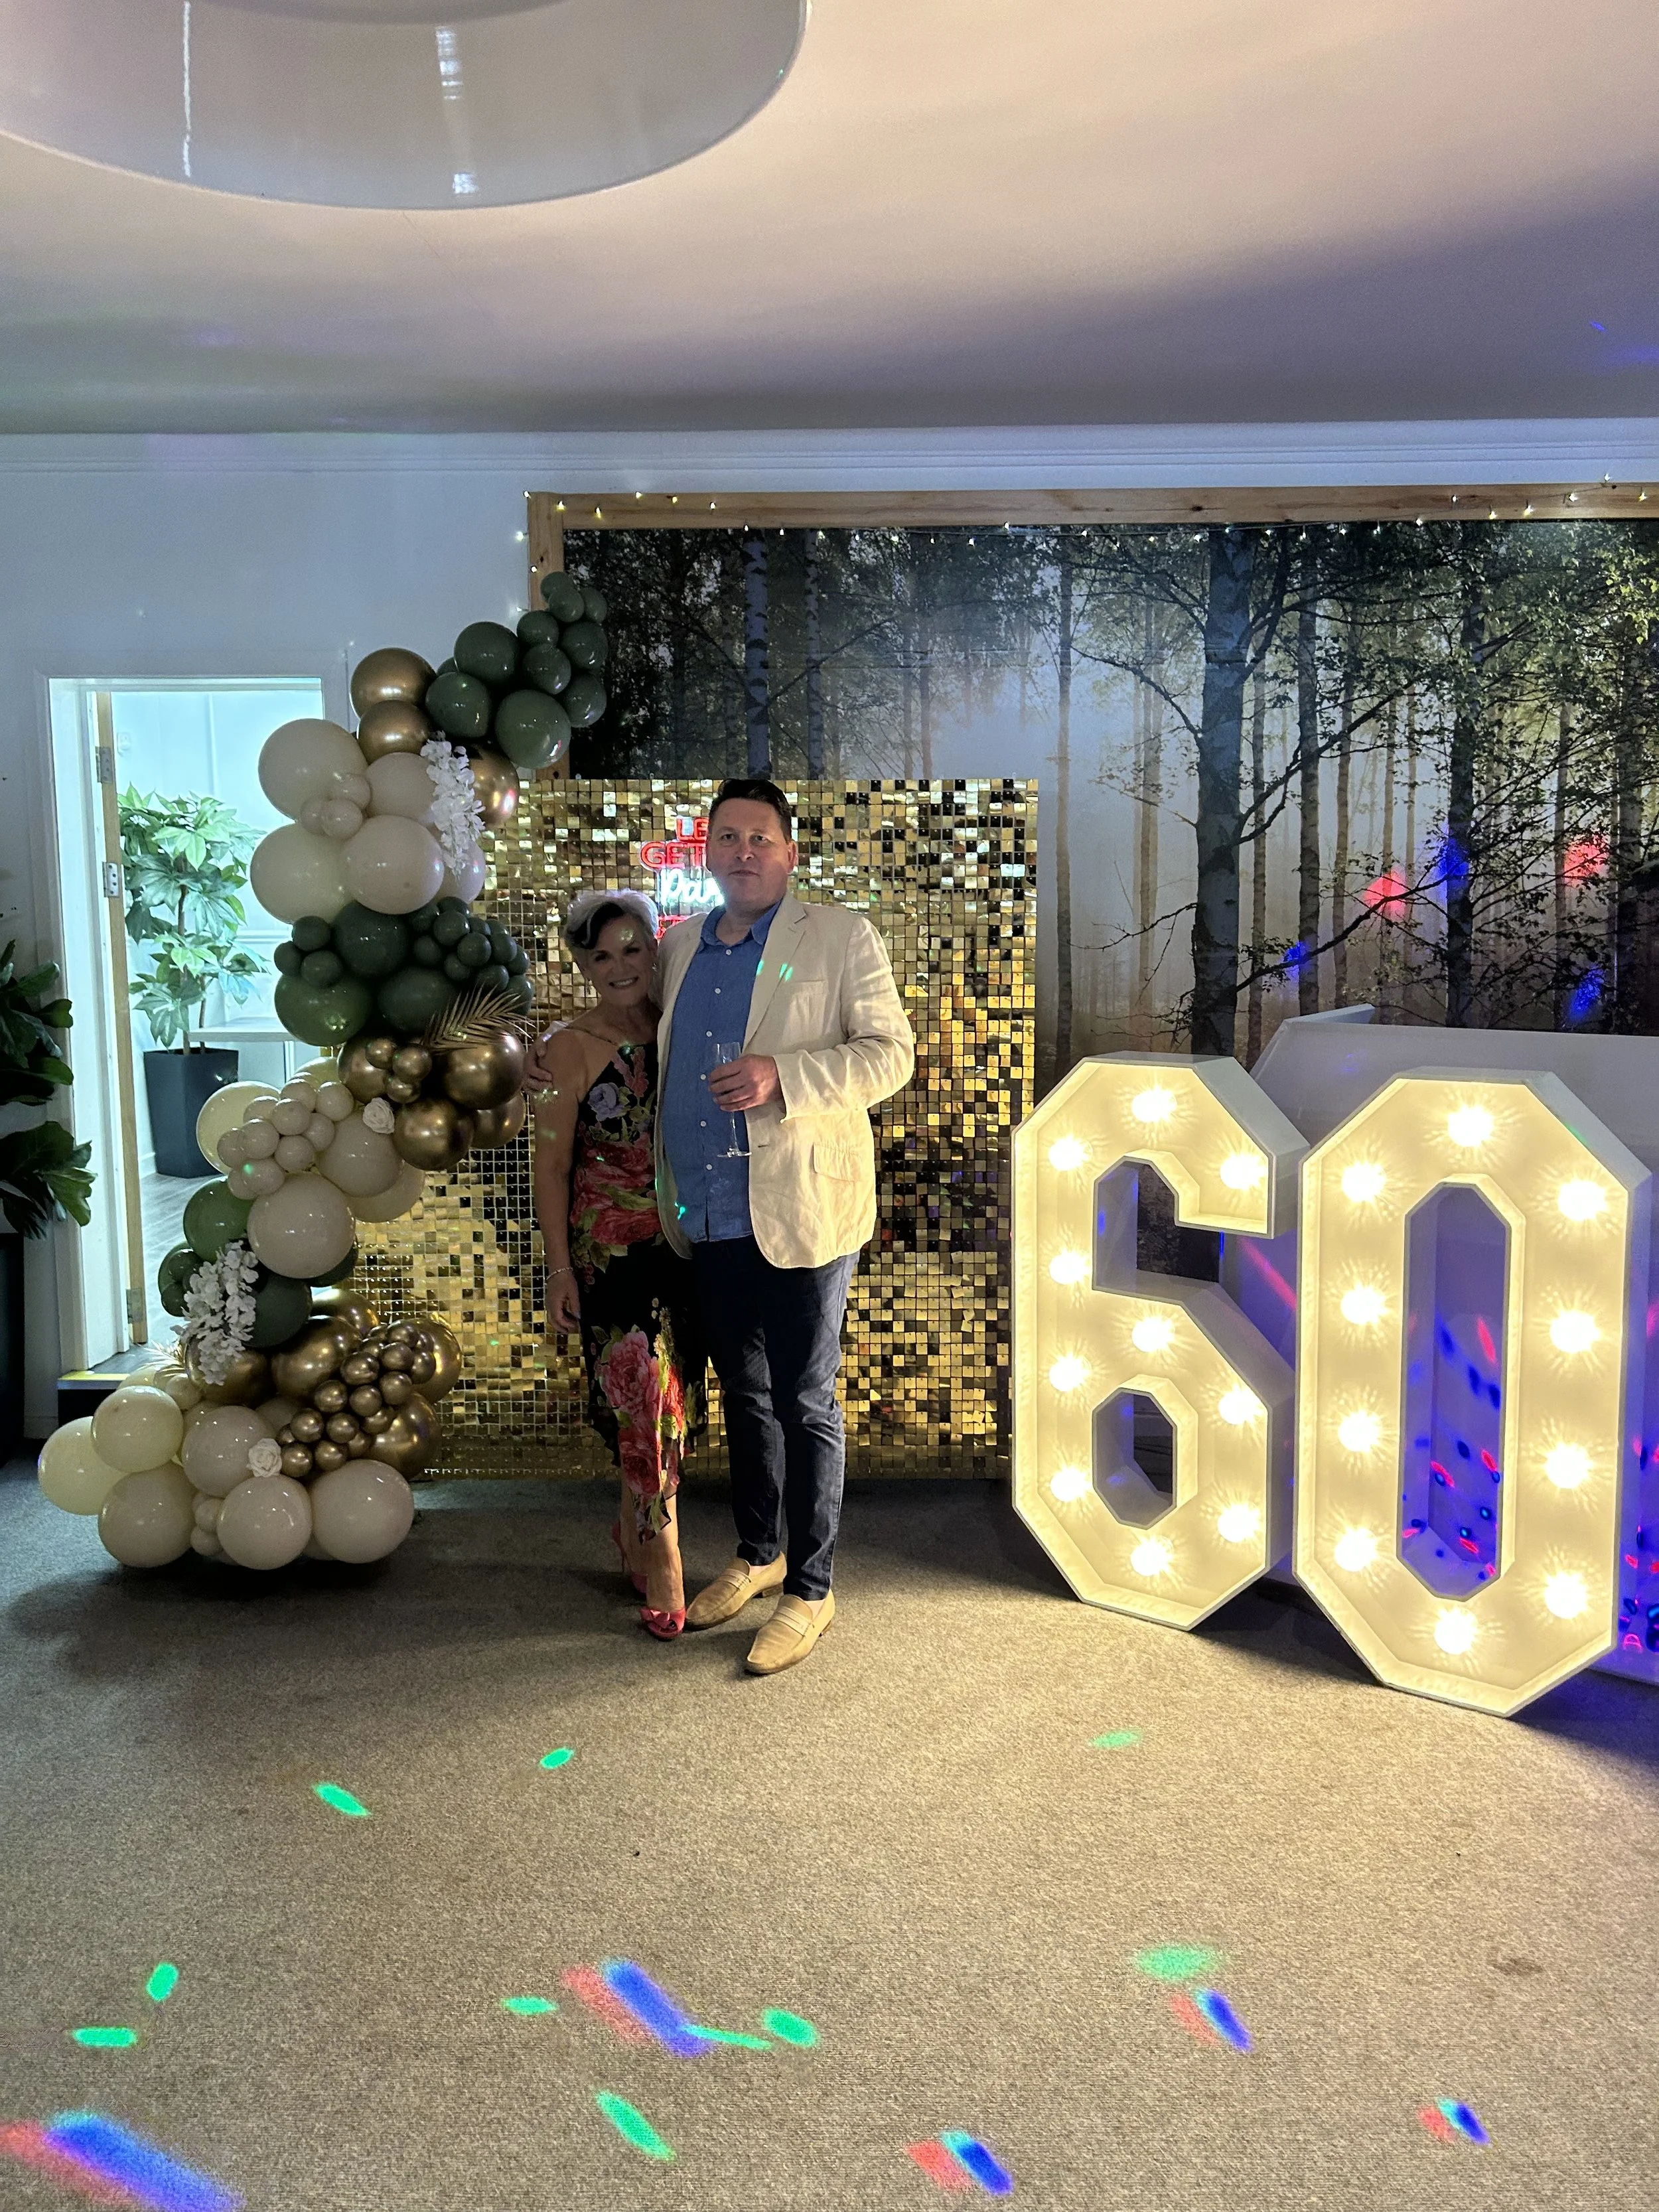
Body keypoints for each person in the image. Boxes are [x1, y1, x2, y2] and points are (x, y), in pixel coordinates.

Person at [653, 776, 914, 1674]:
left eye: (760, 837)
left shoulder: (839, 937)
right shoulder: (681, 944)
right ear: (708, 851)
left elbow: (891, 1055)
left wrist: (784, 1076)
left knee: (804, 1400)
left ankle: (811, 1586)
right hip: (708, 1210)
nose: (744, 851)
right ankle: (759, 1552)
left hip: (804, 1209)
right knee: (742, 1389)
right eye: (728, 836)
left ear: (790, 852)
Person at [531, 888, 706, 1639]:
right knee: (645, 1398)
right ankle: (664, 1554)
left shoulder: (681, 1027)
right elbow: (550, 1167)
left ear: (654, 949)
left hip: (685, 1241)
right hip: (609, 1251)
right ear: (583, 966)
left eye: (632, 948)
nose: (619, 966)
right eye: (601, 956)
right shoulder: (566, 1048)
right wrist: (559, 1270)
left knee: (676, 1397)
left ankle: (632, 1526)